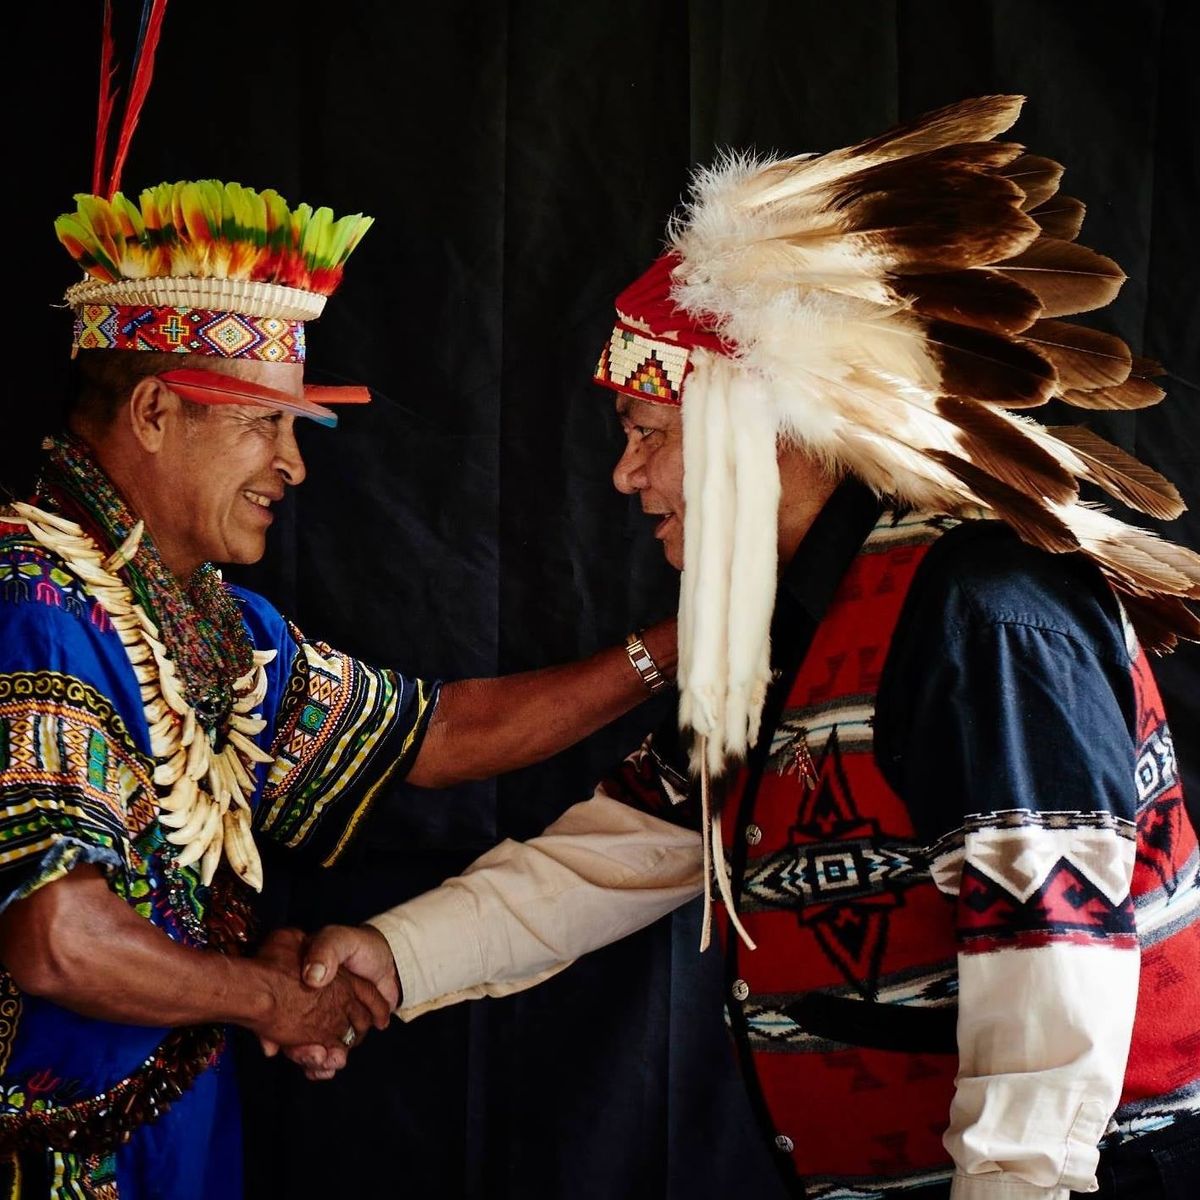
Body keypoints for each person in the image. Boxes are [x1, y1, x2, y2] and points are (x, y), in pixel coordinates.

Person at [295, 96, 1200, 1200]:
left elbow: (1055, 976)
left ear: (757, 424)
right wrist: (395, 958)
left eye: (646, 435)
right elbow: (621, 849)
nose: (627, 480)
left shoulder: (980, 611)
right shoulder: (792, 621)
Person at [0, 11, 695, 1196]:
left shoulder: (201, 619)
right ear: (158, 413)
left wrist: (686, 645)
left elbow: (437, 735)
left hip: (177, 1129)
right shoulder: (33, 603)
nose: (294, 463)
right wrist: (273, 997)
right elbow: (59, 940)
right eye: (265, 422)